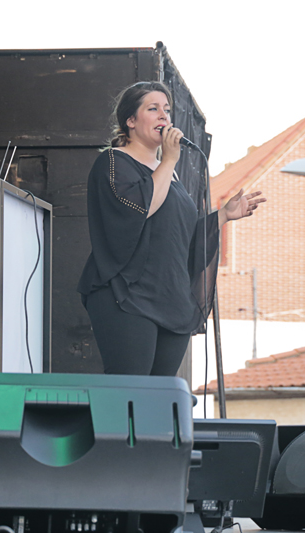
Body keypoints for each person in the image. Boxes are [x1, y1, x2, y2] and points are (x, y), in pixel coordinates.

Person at [77, 81, 265, 376]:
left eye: (167, 110)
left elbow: (181, 238)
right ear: (130, 120)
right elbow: (140, 210)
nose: (164, 116)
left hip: (170, 298)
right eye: (153, 109)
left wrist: (223, 216)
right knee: (131, 393)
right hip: (127, 295)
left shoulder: (170, 173)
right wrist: (169, 160)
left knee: (161, 399)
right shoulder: (113, 162)